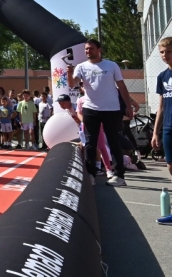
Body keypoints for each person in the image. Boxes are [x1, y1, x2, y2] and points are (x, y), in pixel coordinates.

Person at [68, 39, 139, 186]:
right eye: (86, 49)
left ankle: (119, 176)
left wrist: (128, 106)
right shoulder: (81, 67)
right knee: (90, 143)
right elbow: (72, 83)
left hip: (111, 109)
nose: (88, 51)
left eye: (91, 48)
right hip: (90, 109)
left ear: (99, 49)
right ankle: (91, 175)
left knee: (113, 141)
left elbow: (121, 86)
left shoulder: (111, 65)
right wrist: (69, 73)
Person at [150, 36, 172, 191]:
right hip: (168, 128)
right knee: (170, 164)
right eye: (162, 52)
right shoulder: (162, 77)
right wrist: (155, 133)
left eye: (169, 51)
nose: (165, 55)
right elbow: (161, 107)